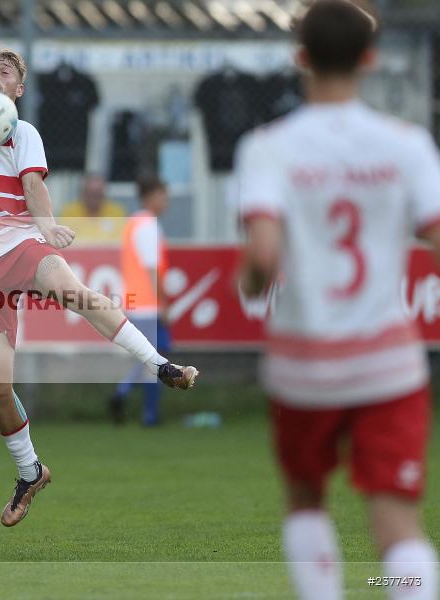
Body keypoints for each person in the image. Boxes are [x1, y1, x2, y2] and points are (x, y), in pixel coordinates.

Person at [0, 48, 199, 527]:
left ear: (18, 90)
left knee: (73, 291)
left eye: (4, 73)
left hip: (22, 247)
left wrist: (46, 226)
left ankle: (160, 365)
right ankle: (30, 471)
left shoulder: (21, 131)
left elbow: (33, 185)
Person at [238, 2, 439, 598]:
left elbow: (264, 258)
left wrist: (247, 284)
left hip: (306, 365)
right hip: (388, 363)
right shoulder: (405, 144)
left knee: (305, 499)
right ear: (369, 59)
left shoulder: (268, 147)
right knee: (396, 520)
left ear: (300, 59)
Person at [108, 175, 171, 426]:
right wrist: (163, 302)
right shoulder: (147, 225)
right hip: (148, 304)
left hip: (138, 302)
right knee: (155, 358)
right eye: (162, 195)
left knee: (152, 357)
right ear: (149, 196)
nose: (166, 201)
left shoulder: (135, 223)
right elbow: (152, 268)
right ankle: (140, 407)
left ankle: (140, 407)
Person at [58, 173, 126, 243]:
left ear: (103, 194)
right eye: (90, 194)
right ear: (83, 194)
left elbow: (120, 241)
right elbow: (64, 241)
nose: (94, 199)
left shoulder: (116, 212)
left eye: (97, 194)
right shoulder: (70, 212)